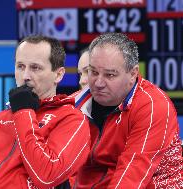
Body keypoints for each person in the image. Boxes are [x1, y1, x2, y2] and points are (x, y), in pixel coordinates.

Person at [0, 35, 91, 189]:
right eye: (20, 66)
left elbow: (47, 176)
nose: (25, 76)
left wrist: (24, 112)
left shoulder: (71, 119)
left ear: (58, 74)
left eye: (35, 68)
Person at [74, 32, 183, 188]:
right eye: (93, 72)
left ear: (133, 74)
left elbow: (131, 178)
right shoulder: (75, 103)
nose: (98, 83)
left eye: (110, 75)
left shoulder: (154, 106)